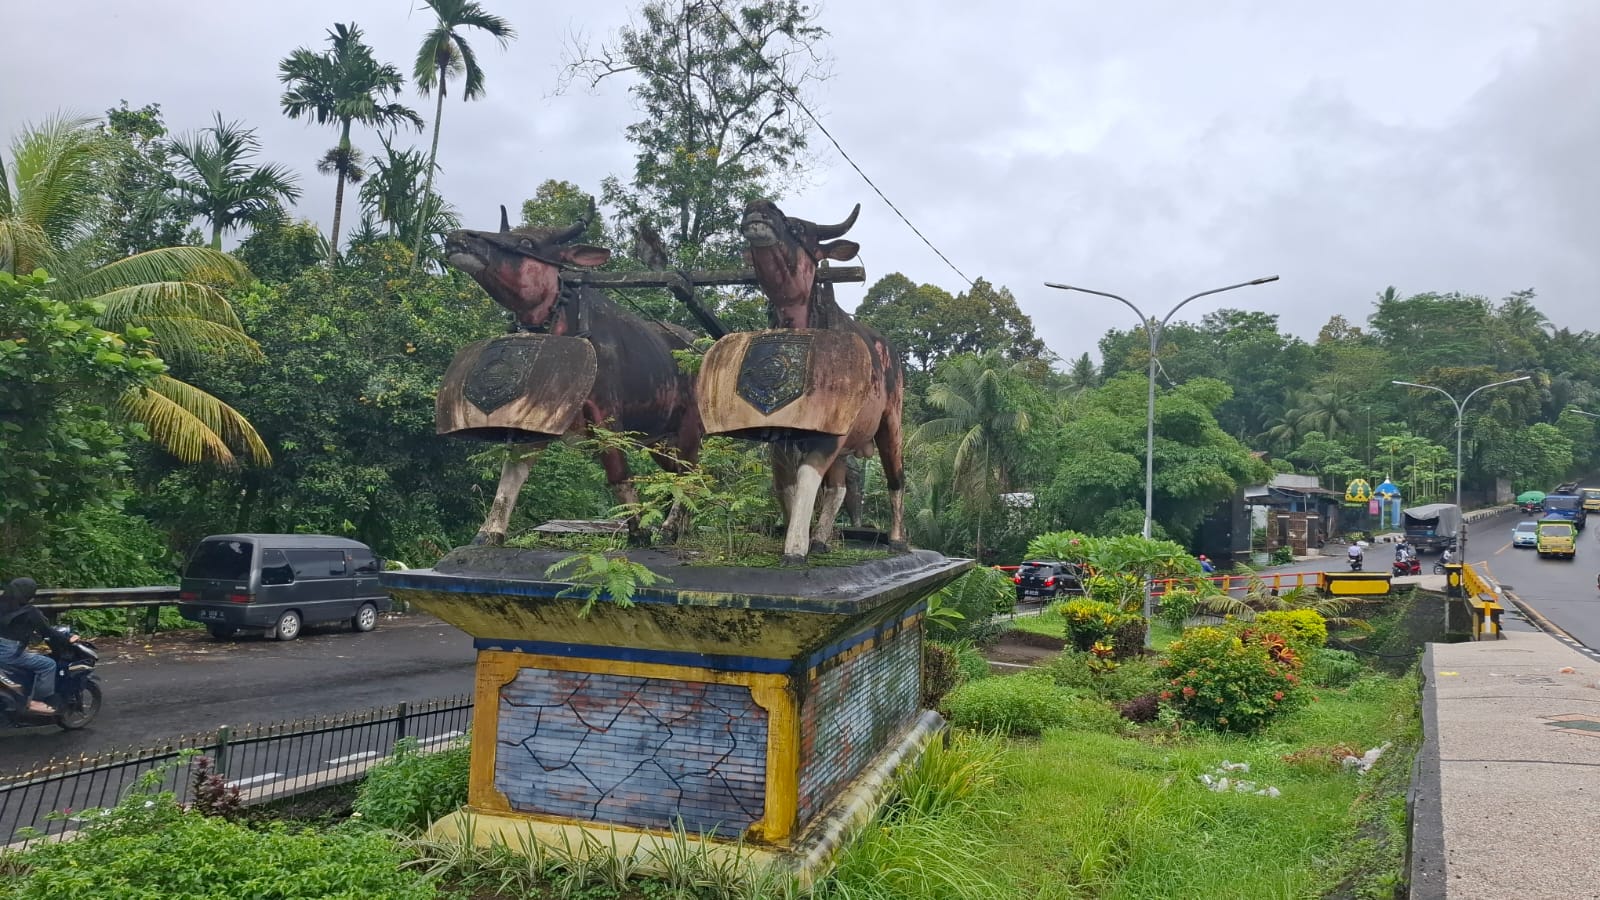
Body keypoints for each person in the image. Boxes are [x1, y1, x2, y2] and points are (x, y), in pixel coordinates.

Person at [0, 577, 62, 715]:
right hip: (9, 652)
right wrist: (68, 639)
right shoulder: (29, 612)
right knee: (48, 664)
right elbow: (48, 632)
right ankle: (37, 701)